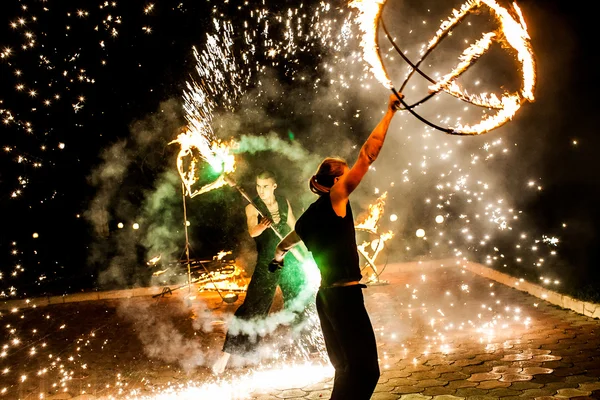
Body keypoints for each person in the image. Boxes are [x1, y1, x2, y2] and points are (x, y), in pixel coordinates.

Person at [271, 94, 401, 399]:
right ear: (334, 183)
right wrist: (389, 112)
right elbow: (368, 155)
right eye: (344, 178)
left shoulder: (307, 217)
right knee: (366, 372)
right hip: (343, 299)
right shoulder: (335, 201)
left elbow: (284, 244)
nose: (350, 181)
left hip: (326, 298)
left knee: (346, 371)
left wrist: (278, 259)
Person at [212, 170, 306, 374]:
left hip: (288, 259)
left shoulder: (283, 201)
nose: (261, 191)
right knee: (253, 307)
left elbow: (295, 227)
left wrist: (306, 254)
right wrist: (261, 226)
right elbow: (251, 231)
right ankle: (227, 355)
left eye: (265, 186)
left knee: (299, 299)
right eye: (258, 186)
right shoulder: (252, 206)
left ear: (274, 186)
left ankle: (306, 345)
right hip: (268, 262)